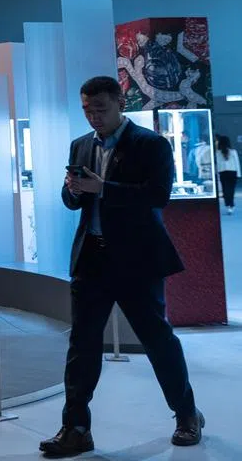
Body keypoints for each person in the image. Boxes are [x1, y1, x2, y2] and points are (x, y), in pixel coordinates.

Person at [39, 75, 202, 456]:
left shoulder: (150, 144)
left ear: (120, 104)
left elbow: (158, 195)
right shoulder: (80, 146)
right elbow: (71, 200)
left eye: (100, 108)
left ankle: (186, 414)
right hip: (91, 258)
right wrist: (73, 190)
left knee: (157, 340)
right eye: (86, 110)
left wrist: (103, 189)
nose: (93, 116)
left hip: (137, 261)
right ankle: (76, 428)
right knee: (82, 344)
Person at [217, 135, 239, 215]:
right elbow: (236, 163)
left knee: (225, 189)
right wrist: (239, 174)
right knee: (231, 189)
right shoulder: (233, 152)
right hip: (233, 172)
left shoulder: (218, 153)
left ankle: (228, 205)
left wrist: (217, 173)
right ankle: (231, 204)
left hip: (223, 172)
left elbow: (218, 164)